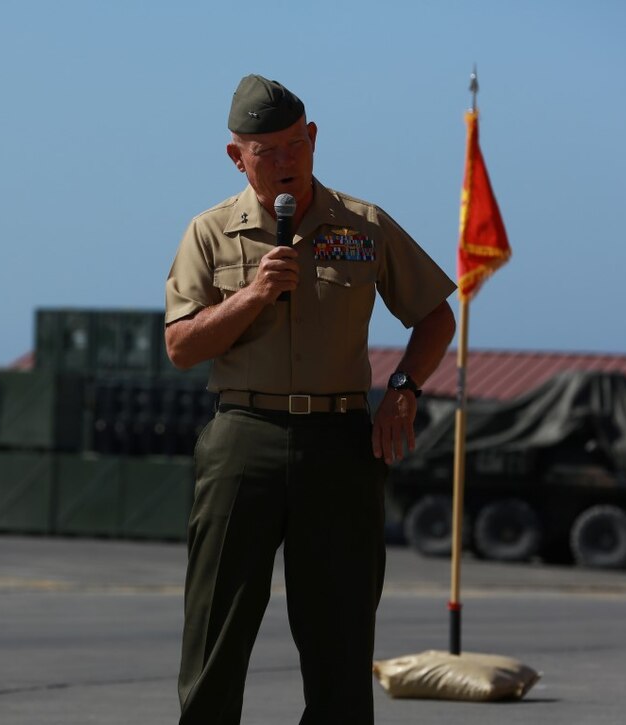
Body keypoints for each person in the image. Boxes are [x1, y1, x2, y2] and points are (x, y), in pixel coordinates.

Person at [164, 74, 457, 724]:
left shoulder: (365, 225)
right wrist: (252, 296)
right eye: (266, 151)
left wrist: (403, 390)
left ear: (314, 138)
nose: (285, 161)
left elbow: (437, 316)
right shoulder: (209, 232)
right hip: (243, 438)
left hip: (339, 442)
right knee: (217, 629)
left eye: (296, 144)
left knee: (341, 636)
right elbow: (181, 345)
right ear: (237, 156)